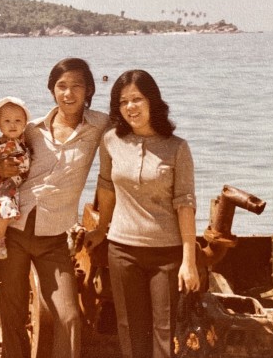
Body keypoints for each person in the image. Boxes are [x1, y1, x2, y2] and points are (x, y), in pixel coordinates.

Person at [0, 58, 109, 358]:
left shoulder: (99, 126)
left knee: (69, 316)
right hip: (16, 231)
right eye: (61, 86)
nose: (68, 94)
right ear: (52, 90)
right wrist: (0, 167)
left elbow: (132, 132)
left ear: (89, 91)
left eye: (76, 87)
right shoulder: (31, 129)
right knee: (12, 311)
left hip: (55, 238)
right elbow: (1, 159)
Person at [84, 69, 200, 358]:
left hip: (167, 255)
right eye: (123, 102)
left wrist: (189, 261)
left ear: (152, 101)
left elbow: (185, 205)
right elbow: (107, 188)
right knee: (130, 332)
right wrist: (101, 229)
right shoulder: (110, 141)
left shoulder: (177, 148)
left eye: (136, 99)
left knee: (165, 334)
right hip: (123, 251)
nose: (130, 107)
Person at [0, 96, 32, 260]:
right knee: (4, 209)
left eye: (18, 120)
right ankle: (0, 240)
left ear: (25, 123)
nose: (13, 125)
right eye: (7, 121)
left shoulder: (24, 140)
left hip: (23, 182)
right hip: (7, 184)